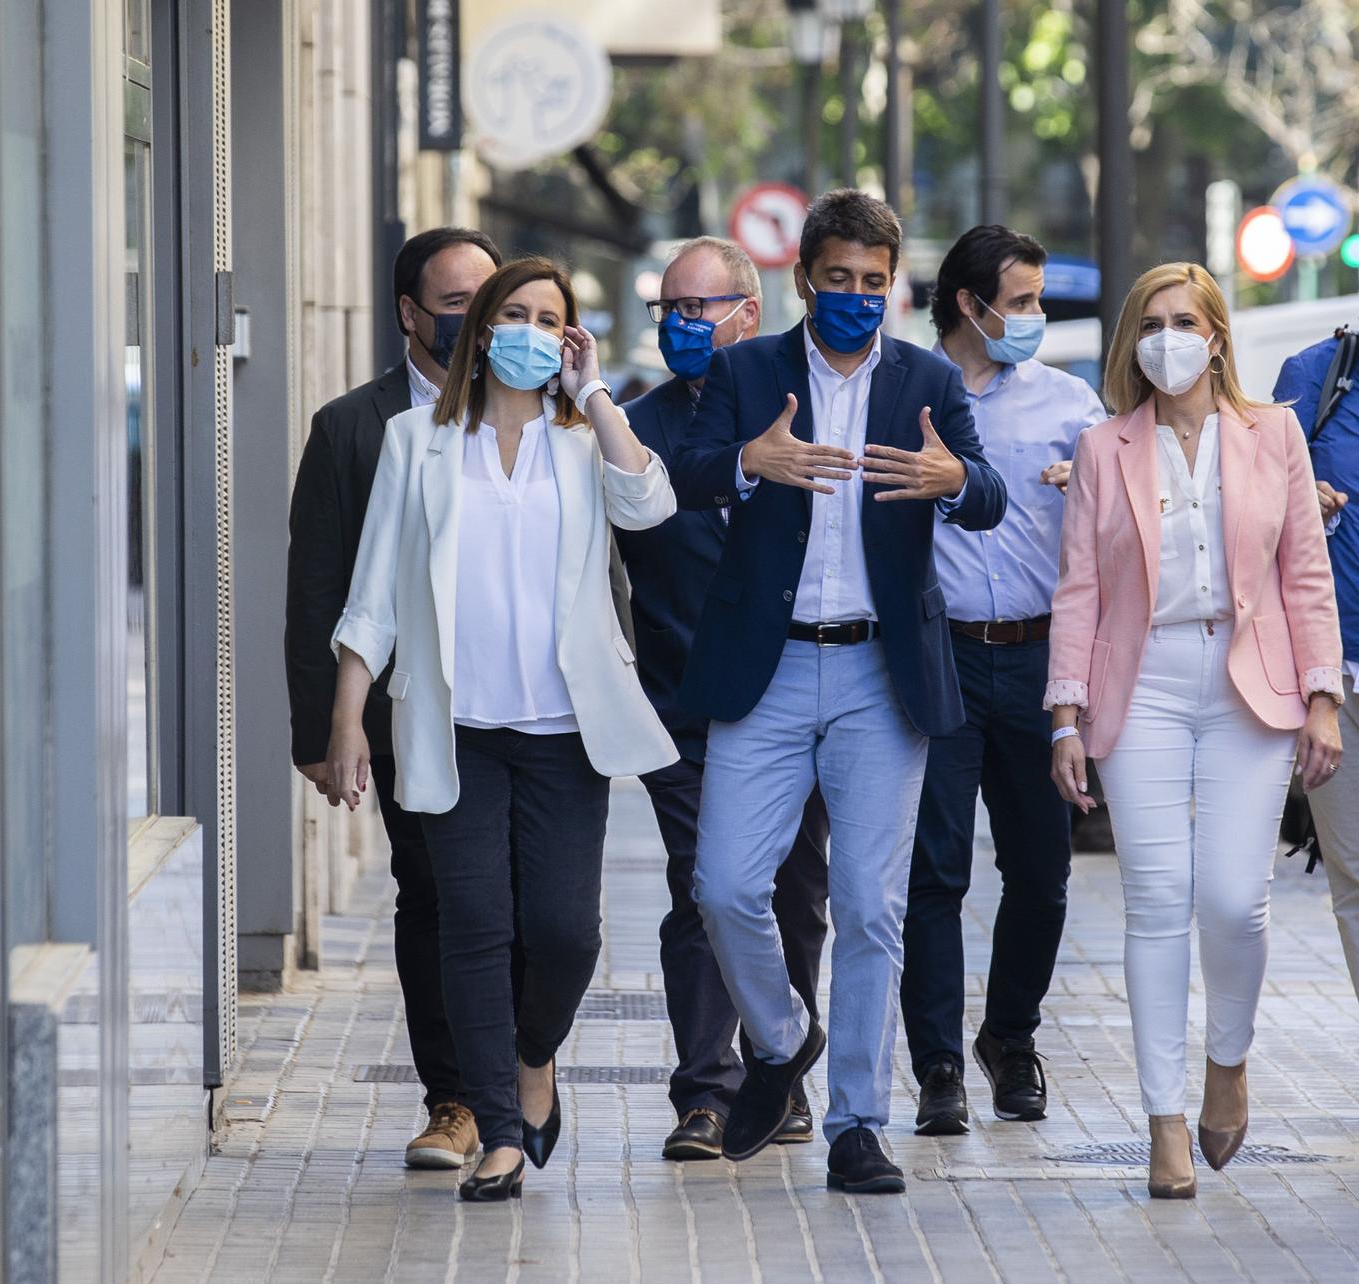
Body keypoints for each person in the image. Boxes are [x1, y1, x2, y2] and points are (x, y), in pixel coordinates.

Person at [669, 189, 1007, 1194]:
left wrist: (952, 481)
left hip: (878, 671)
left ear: (891, 284)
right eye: (838, 280)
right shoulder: (746, 370)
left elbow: (982, 493)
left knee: (868, 905)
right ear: (802, 279)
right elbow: (682, 474)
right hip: (764, 666)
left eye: (873, 282)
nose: (856, 296)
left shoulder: (927, 377)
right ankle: (778, 1040)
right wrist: (745, 460)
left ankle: (858, 1122)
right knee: (722, 884)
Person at [322, 257, 678, 1201]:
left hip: (565, 732)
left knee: (563, 933)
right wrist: (349, 716)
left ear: (568, 336)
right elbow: (375, 593)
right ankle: (503, 1133)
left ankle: (529, 1060)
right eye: (510, 313)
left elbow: (649, 503)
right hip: (457, 726)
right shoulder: (415, 440)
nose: (527, 329)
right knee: (473, 928)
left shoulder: (583, 442)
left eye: (547, 318)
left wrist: (595, 391)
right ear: (480, 329)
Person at [1046, 262, 1342, 1199]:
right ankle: (1163, 1121)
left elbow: (1304, 572)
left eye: (1183, 321)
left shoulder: (1276, 433)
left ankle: (1227, 1061)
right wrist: (1064, 712)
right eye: (1150, 323)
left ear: (1216, 333)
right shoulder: (1105, 446)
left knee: (1230, 900)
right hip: (1144, 684)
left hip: (1249, 682)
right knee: (1156, 900)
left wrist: (1323, 695)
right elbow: (1081, 587)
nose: (1166, 338)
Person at [285, 226, 499, 1170]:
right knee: (440, 898)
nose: (476, 322)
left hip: (523, 708)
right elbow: (320, 585)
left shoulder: (541, 413)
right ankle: (455, 1096)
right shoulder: (352, 427)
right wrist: (321, 730)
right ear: (410, 314)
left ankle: (520, 1068)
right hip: (408, 712)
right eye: (455, 305)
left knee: (534, 911)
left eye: (486, 302)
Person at [616, 237, 830, 1161]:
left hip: (798, 695)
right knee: (700, 889)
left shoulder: (810, 408)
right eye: (668, 309)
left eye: (697, 308)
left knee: (794, 888)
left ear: (751, 311)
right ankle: (706, 1093)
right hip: (685, 702)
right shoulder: (635, 425)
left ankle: (778, 1073)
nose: (680, 325)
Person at [901, 225, 1106, 1135]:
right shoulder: (904, 394)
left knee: (1043, 871)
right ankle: (938, 1064)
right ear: (966, 304)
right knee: (933, 872)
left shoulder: (1070, 403)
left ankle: (1010, 1037)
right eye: (1018, 302)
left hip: (1036, 657)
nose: (1032, 317)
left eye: (1035, 301)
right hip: (936, 656)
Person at [1272, 330, 1359, 1002]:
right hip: (1337, 668)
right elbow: (1258, 502)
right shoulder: (1317, 375)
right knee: (1354, 872)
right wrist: (1304, 500)